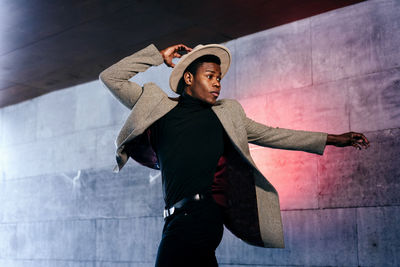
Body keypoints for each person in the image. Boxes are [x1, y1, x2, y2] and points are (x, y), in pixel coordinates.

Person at [99, 43, 369, 267]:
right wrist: (158, 57)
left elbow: (273, 134)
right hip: (175, 220)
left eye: (219, 78)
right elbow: (111, 77)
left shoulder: (226, 114)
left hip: (199, 216)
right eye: (210, 76)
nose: (217, 83)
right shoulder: (157, 107)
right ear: (189, 78)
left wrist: (334, 139)